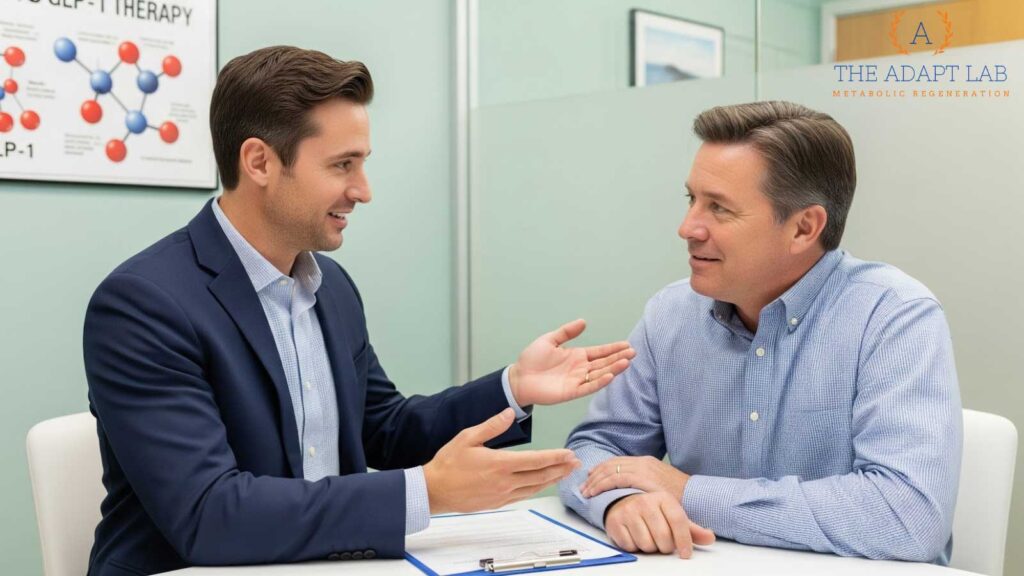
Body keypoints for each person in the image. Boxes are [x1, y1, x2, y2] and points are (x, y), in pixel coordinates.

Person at [83, 46, 635, 576]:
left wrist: (515, 388)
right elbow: (209, 513)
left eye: (362, 164)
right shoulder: (144, 304)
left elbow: (385, 429)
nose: (363, 191)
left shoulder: (331, 287)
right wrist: (429, 492)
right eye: (343, 165)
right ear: (259, 162)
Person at [560, 101, 961, 564]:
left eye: (720, 209)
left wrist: (689, 492)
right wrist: (622, 502)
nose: (688, 227)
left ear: (803, 228)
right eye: (692, 200)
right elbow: (594, 450)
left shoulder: (893, 317)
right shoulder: (672, 313)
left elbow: (906, 518)